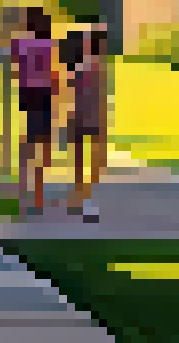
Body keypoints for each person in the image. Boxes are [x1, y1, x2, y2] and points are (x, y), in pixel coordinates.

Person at [12, 5, 62, 216]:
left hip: (27, 94)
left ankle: (26, 182)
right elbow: (52, 73)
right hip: (43, 93)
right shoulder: (49, 45)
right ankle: (38, 196)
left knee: (32, 140)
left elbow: (16, 69)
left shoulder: (20, 43)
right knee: (43, 143)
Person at [65, 27, 108, 222]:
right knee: (87, 161)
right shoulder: (91, 67)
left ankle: (82, 197)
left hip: (83, 116)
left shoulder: (83, 66)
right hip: (85, 117)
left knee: (86, 160)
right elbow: (98, 97)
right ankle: (84, 199)